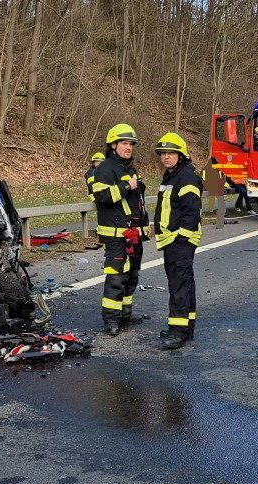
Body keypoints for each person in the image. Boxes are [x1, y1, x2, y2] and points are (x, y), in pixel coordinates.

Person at [90, 124, 150, 335]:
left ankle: (125, 315)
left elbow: (137, 203)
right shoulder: (105, 168)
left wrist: (144, 228)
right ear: (113, 145)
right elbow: (101, 197)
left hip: (133, 234)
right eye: (124, 143)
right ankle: (111, 320)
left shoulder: (129, 168)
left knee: (132, 276)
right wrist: (126, 186)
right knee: (116, 278)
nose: (129, 147)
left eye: (131, 144)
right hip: (116, 235)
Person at [153, 132, 203, 350]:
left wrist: (181, 237)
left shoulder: (185, 177)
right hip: (173, 239)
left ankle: (178, 331)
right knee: (185, 283)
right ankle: (187, 327)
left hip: (180, 240)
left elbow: (192, 211)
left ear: (180, 155)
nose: (166, 157)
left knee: (179, 285)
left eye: (171, 153)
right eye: (163, 153)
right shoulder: (172, 175)